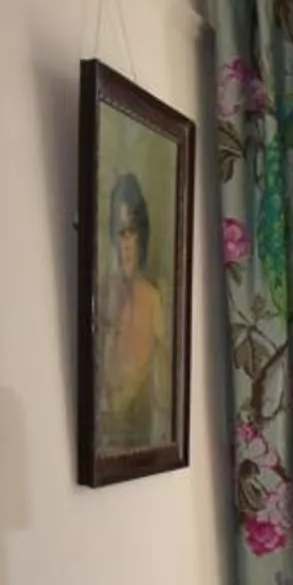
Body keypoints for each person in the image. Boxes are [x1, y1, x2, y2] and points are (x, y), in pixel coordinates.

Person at [96, 170, 169, 451]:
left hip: (137, 432)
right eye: (120, 233)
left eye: (131, 233)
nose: (125, 244)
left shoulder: (153, 299)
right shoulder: (103, 291)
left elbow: (161, 388)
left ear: (142, 237)